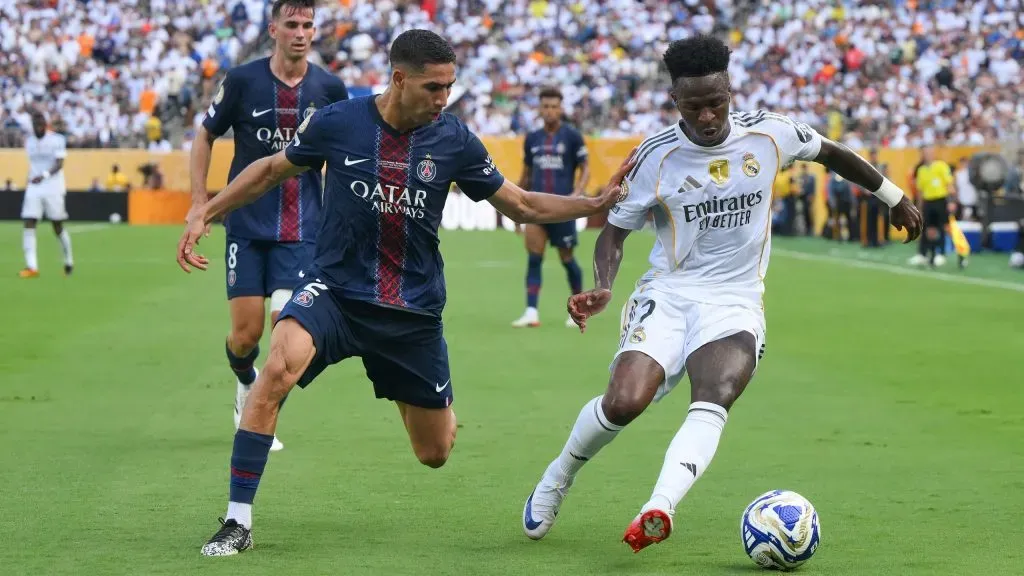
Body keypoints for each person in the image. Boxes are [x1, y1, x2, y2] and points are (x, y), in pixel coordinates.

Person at [176, 28, 634, 557]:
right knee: (276, 366)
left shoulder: (454, 139)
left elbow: (523, 204)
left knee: (435, 452)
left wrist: (594, 202)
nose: (444, 99)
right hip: (335, 293)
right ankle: (238, 521)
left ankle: (401, 383)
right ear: (399, 79)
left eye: (449, 88)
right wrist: (205, 211)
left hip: (411, 312)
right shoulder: (338, 122)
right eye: (434, 88)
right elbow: (271, 171)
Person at [520, 34, 921, 554]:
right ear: (675, 103)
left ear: (730, 90)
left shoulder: (770, 133)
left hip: (735, 299)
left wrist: (891, 196)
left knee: (715, 395)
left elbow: (833, 153)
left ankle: (658, 507)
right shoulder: (655, 157)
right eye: (694, 106)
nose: (708, 116)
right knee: (623, 403)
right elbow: (615, 231)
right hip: (669, 292)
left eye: (716, 102)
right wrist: (602, 285)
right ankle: (557, 477)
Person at [187, 0, 349, 452]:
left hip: (302, 232)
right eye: (292, 24)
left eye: (309, 25)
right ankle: (245, 383)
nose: (301, 33)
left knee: (285, 329)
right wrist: (201, 202)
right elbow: (204, 135)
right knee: (245, 337)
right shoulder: (242, 81)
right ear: (273, 28)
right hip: (246, 227)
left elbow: (342, 160)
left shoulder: (330, 88)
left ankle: (260, 416)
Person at [511, 86, 590, 328]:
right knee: (534, 258)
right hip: (535, 209)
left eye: (554, 106)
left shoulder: (572, 136)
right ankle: (531, 312)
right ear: (539, 108)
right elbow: (526, 175)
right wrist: (516, 208)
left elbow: (585, 168)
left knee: (567, 259)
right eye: (545, 106)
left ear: (560, 108)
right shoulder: (532, 139)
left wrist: (577, 194)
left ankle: (579, 310)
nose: (549, 111)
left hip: (562, 209)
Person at [19, 109, 72, 278]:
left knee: (57, 226)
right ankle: (32, 266)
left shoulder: (57, 140)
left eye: (41, 125)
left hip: (53, 186)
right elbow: (33, 164)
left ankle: (68, 260)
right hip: (34, 186)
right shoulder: (29, 142)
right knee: (29, 222)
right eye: (35, 125)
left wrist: (44, 176)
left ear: (45, 125)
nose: (38, 128)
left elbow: (59, 164)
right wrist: (30, 179)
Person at [908, 147, 955, 267]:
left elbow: (949, 184)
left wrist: (951, 201)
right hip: (928, 201)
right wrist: (918, 208)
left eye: (930, 153)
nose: (928, 155)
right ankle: (923, 254)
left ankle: (941, 253)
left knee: (941, 227)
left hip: (940, 200)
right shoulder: (921, 170)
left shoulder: (941, 166)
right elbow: (920, 191)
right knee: (926, 228)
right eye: (925, 153)